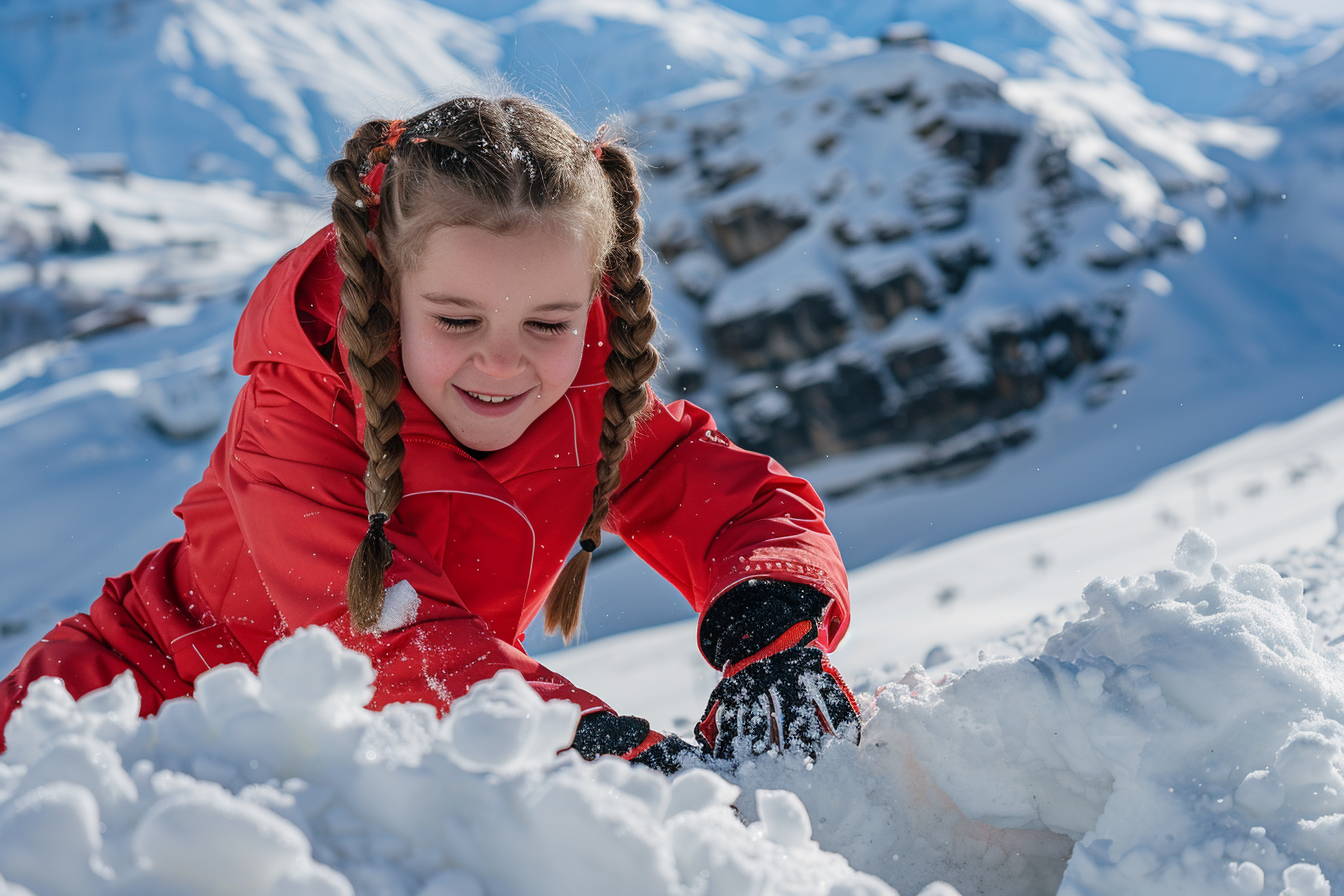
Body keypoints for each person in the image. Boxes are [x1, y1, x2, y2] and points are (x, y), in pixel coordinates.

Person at [0, 96, 859, 770]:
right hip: (120, 724)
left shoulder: (579, 398)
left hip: (360, 758)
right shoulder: (296, 419)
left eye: (548, 322)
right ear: (386, 287)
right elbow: (389, 640)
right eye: (456, 319)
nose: (504, 364)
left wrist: (772, 633)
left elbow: (735, 501)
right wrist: (594, 745)